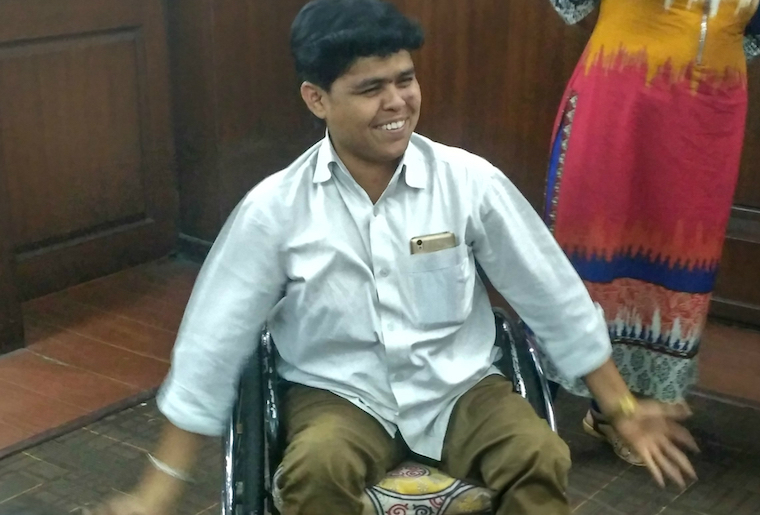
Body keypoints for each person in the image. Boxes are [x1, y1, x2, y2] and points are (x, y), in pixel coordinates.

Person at [90, 1, 699, 514]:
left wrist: (621, 409)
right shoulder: (274, 210)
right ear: (316, 98)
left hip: (458, 386)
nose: (397, 102)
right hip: (338, 393)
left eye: (404, 80)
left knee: (539, 456)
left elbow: (554, 297)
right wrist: (158, 490)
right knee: (313, 475)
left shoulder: (468, 182)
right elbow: (211, 346)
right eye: (369, 88)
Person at [544, 0, 760, 465]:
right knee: (597, 251)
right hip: (619, 100)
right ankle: (600, 403)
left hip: (706, 114)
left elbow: (749, 36)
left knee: (679, 255)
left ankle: (640, 398)